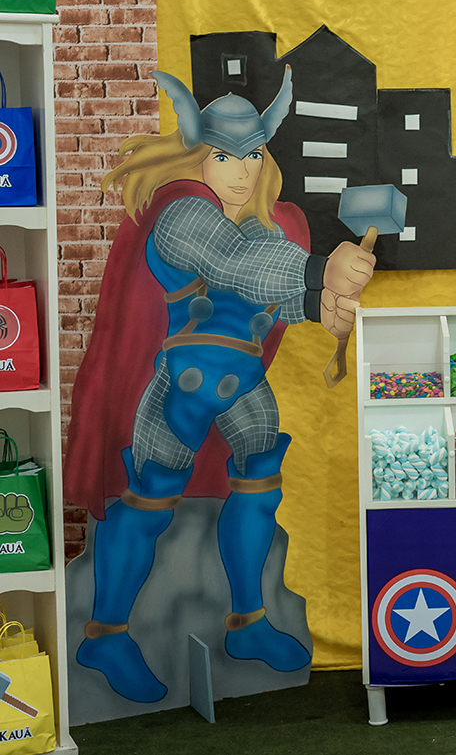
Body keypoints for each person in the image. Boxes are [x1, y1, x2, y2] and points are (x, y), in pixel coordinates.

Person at [65, 68, 374, 702]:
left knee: (260, 488)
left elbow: (268, 295)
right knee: (150, 497)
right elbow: (231, 264)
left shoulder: (261, 229)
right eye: (226, 155)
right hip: (185, 383)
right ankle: (105, 634)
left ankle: (247, 623)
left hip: (246, 385)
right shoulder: (181, 213)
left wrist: (322, 307)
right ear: (197, 156)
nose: (242, 170)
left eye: (254, 154)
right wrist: (321, 269)